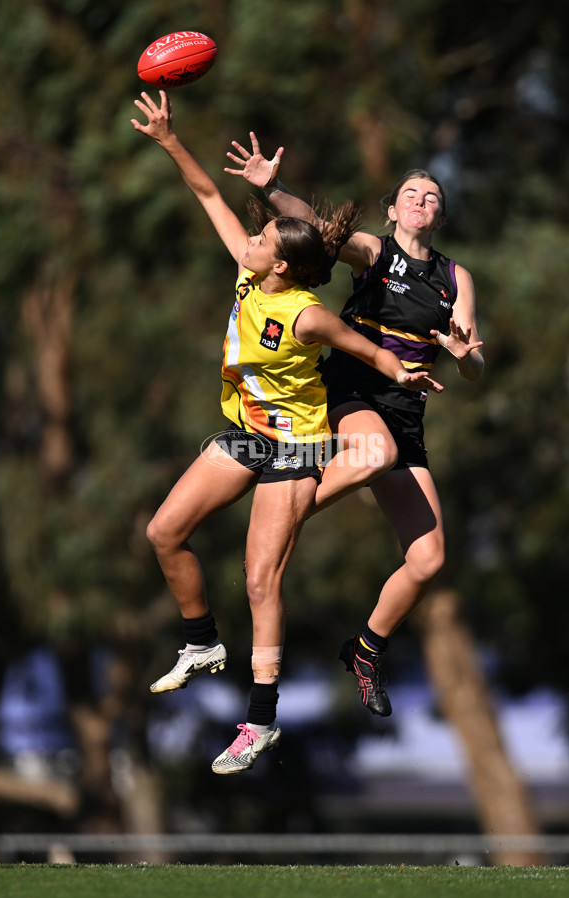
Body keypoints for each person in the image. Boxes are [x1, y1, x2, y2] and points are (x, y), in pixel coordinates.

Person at [130, 91, 443, 774]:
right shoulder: (249, 270)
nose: (251, 240)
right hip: (245, 431)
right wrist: (168, 140)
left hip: (298, 449)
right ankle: (200, 642)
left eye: (265, 239)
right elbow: (208, 193)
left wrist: (409, 373)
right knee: (163, 532)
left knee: (260, 578)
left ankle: (260, 719)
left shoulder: (306, 315)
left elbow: (372, 355)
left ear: (281, 266)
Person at [225, 133, 484, 718]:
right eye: (412, 193)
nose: (423, 199)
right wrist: (272, 187)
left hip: (407, 412)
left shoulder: (455, 277)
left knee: (429, 559)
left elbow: (473, 365)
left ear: (439, 215)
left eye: (433, 195)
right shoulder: (374, 252)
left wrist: (465, 353)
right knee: (375, 452)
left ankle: (365, 650)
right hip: (351, 387)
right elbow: (313, 227)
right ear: (393, 210)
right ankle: (279, 512)